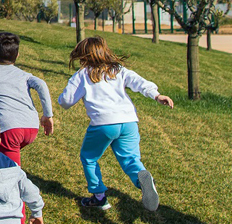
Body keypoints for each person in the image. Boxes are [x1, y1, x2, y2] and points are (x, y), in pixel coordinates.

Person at [57, 36, 174, 211]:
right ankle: (142, 181)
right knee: (131, 159)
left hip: (103, 124)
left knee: (89, 158)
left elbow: (66, 101)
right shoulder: (118, 70)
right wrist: (156, 95)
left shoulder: (82, 75)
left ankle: (99, 197)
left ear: (83, 56)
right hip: (129, 122)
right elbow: (139, 82)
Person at [0, 32, 54, 224]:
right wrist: (47, 115)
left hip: (9, 132)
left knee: (13, 178)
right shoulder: (24, 74)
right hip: (30, 129)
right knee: (7, 165)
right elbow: (41, 84)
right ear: (18, 55)